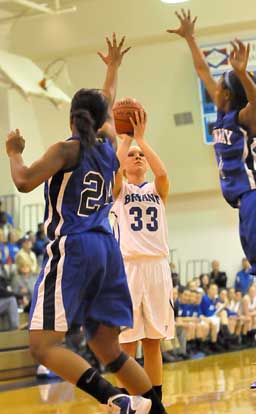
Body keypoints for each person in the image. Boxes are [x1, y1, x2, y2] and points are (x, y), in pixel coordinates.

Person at [6, 34, 166, 414]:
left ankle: (116, 400)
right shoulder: (110, 149)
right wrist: (112, 69)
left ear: (71, 117)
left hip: (74, 246)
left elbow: (24, 180)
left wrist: (14, 152)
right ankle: (156, 411)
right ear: (103, 119)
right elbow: (106, 109)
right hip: (107, 250)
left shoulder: (66, 149)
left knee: (42, 346)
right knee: (107, 348)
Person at [167, 8, 256, 387]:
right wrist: (191, 39)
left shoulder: (245, 118)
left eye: (224, 88)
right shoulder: (223, 114)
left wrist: (242, 73)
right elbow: (204, 72)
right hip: (245, 207)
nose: (216, 90)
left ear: (231, 95)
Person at [113, 116, 174, 402]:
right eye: (132, 156)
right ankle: (128, 401)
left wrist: (142, 140)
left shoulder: (156, 190)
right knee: (127, 341)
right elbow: (111, 169)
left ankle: (155, 401)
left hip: (157, 268)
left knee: (153, 341)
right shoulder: (119, 191)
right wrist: (126, 138)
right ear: (123, 165)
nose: (137, 157)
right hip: (128, 268)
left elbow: (162, 174)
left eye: (141, 156)